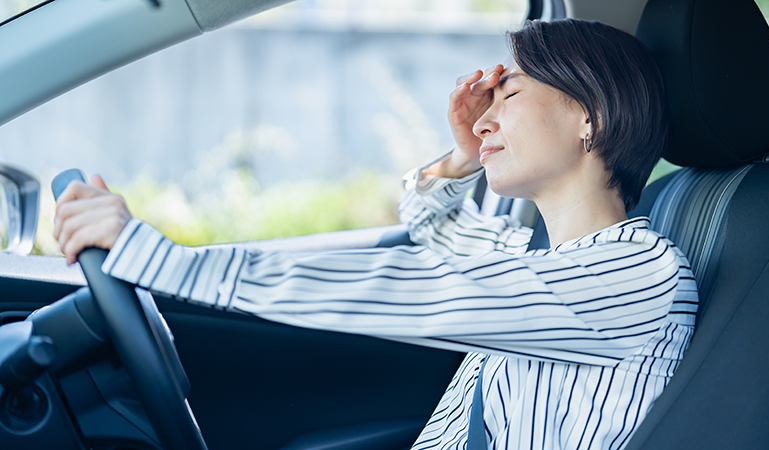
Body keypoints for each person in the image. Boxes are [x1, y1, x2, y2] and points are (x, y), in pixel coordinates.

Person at [53, 19, 698, 450]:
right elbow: (438, 231)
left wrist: (159, 258)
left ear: (591, 117)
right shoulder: (553, 265)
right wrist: (458, 162)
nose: (484, 118)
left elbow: (413, 286)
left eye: (511, 93)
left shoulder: (632, 276)